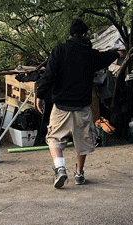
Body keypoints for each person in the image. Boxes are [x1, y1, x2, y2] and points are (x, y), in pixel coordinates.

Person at [36, 18, 125, 188]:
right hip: (82, 108)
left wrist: (40, 95)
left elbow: (48, 76)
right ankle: (79, 174)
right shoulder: (90, 55)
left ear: (71, 34)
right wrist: (118, 53)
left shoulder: (59, 50)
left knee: (54, 139)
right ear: (84, 35)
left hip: (61, 107)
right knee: (82, 143)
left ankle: (60, 169)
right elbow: (105, 57)